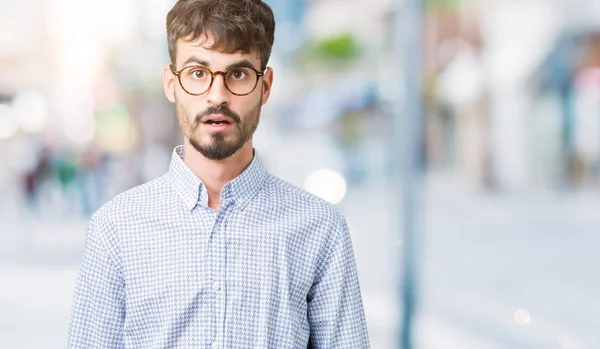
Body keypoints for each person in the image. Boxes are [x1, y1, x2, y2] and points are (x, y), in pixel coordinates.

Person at [68, 0, 370, 348]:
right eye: (198, 73)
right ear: (171, 83)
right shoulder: (116, 228)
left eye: (238, 74)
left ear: (266, 86)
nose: (217, 95)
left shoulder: (320, 228)